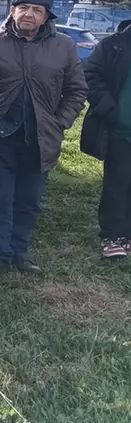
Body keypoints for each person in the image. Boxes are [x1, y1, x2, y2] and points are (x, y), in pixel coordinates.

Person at [0, 0, 87, 275]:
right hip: (0, 135)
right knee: (0, 197)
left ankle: (19, 252)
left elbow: (77, 90)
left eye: (37, 10)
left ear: (46, 16)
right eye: (24, 8)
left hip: (42, 137)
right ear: (12, 10)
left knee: (29, 199)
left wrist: (60, 122)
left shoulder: (63, 46)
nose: (29, 14)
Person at [81, 19, 131, 259]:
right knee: (117, 184)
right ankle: (113, 236)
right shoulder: (113, 45)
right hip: (122, 130)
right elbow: (91, 75)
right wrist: (111, 109)